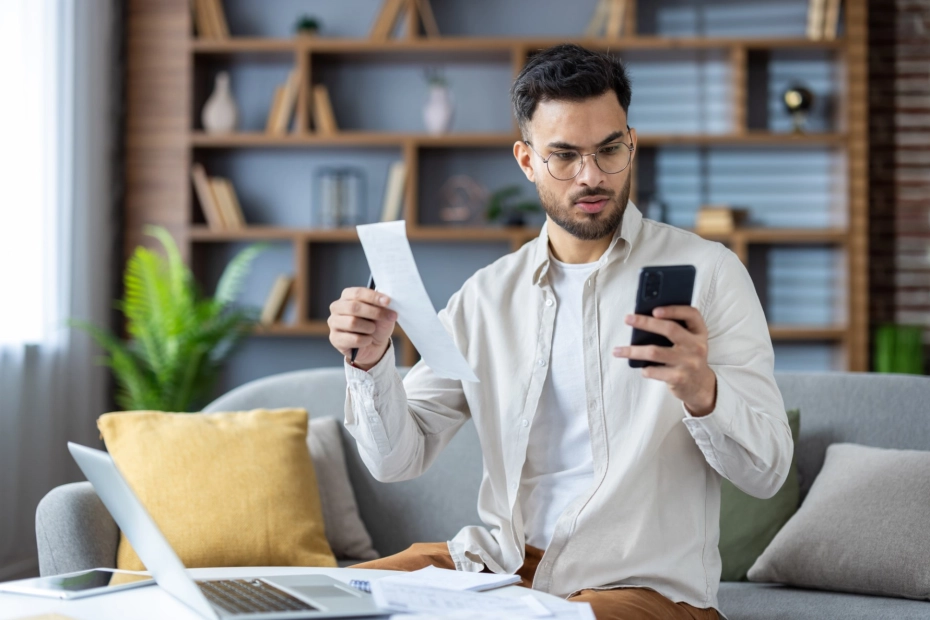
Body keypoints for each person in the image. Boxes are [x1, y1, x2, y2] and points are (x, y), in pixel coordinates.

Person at [326, 43, 792, 620]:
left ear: (632, 142)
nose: (591, 176)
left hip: (641, 589)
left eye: (608, 150)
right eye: (564, 155)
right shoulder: (487, 295)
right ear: (526, 160)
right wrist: (370, 366)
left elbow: (768, 472)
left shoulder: (711, 273)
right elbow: (397, 458)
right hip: (499, 568)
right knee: (326, 600)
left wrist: (703, 392)